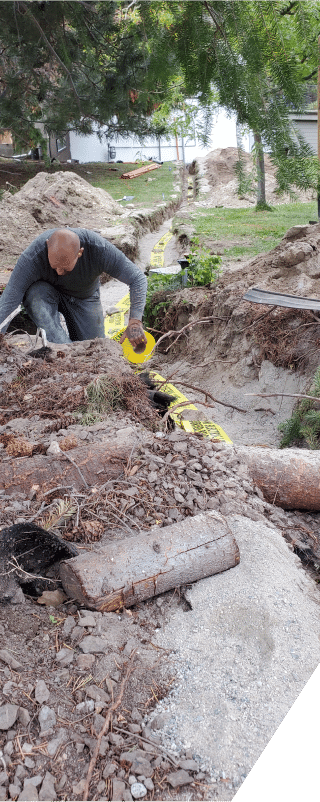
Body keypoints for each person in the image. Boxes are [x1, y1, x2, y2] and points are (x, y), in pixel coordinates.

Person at [0, 228, 148, 349]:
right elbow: (10, 298)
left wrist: (135, 321)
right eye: (55, 267)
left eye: (65, 269)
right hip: (44, 295)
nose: (59, 272)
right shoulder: (32, 257)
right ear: (47, 246)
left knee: (94, 349)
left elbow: (137, 278)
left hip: (85, 297)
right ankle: (64, 351)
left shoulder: (99, 249)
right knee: (34, 295)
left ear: (80, 253)